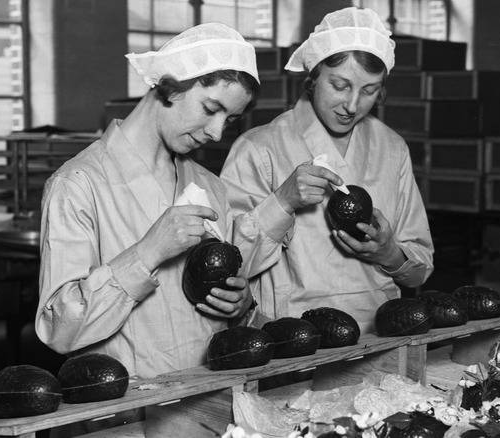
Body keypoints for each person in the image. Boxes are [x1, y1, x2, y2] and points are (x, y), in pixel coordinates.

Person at [37, 23, 264, 437]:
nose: (216, 132)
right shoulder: (78, 185)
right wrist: (146, 253)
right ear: (168, 87)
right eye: (210, 108)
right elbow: (58, 330)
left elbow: (223, 302)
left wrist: (239, 302)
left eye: (228, 120)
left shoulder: (210, 186)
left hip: (206, 408)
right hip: (120, 418)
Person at [220, 7, 434, 385]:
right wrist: (282, 202)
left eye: (368, 91)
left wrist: (388, 253)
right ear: (313, 77)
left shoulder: (392, 147)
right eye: (339, 85)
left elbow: (420, 267)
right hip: (290, 344)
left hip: (379, 338)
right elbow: (229, 267)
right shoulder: (258, 148)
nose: (352, 105)